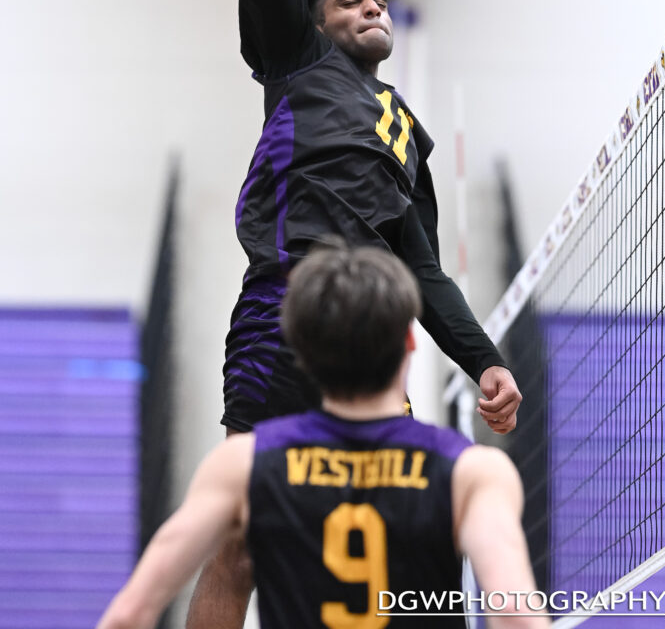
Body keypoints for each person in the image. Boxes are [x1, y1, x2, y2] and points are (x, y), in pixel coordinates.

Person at [187, 0, 522, 628]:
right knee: (239, 540)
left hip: (374, 330)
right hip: (281, 312)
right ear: (316, 20)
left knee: (395, 538)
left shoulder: (403, 128)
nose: (371, 3)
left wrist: (484, 361)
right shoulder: (294, 62)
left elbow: (421, 267)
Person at [96, 244, 547, 629]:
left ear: (301, 346)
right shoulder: (473, 471)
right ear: (410, 341)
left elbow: (129, 614)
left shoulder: (243, 466)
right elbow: (514, 613)